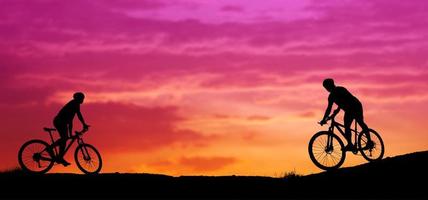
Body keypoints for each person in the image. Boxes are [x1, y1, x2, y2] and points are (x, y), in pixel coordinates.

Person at [319, 78, 371, 151]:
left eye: (327, 87)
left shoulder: (341, 89)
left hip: (355, 105)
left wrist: (336, 111)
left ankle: (369, 141)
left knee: (360, 122)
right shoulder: (331, 97)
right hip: (348, 110)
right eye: (325, 87)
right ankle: (350, 144)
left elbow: (346, 100)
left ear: (331, 85)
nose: (326, 89)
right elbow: (329, 109)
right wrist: (324, 119)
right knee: (347, 127)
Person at [53, 92, 89, 166]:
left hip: (62, 122)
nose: (83, 100)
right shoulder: (74, 104)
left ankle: (60, 157)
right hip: (59, 122)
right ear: (78, 99)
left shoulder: (76, 104)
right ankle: (52, 150)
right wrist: (83, 124)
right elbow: (74, 118)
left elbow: (72, 119)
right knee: (65, 138)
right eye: (82, 98)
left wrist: (83, 124)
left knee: (64, 139)